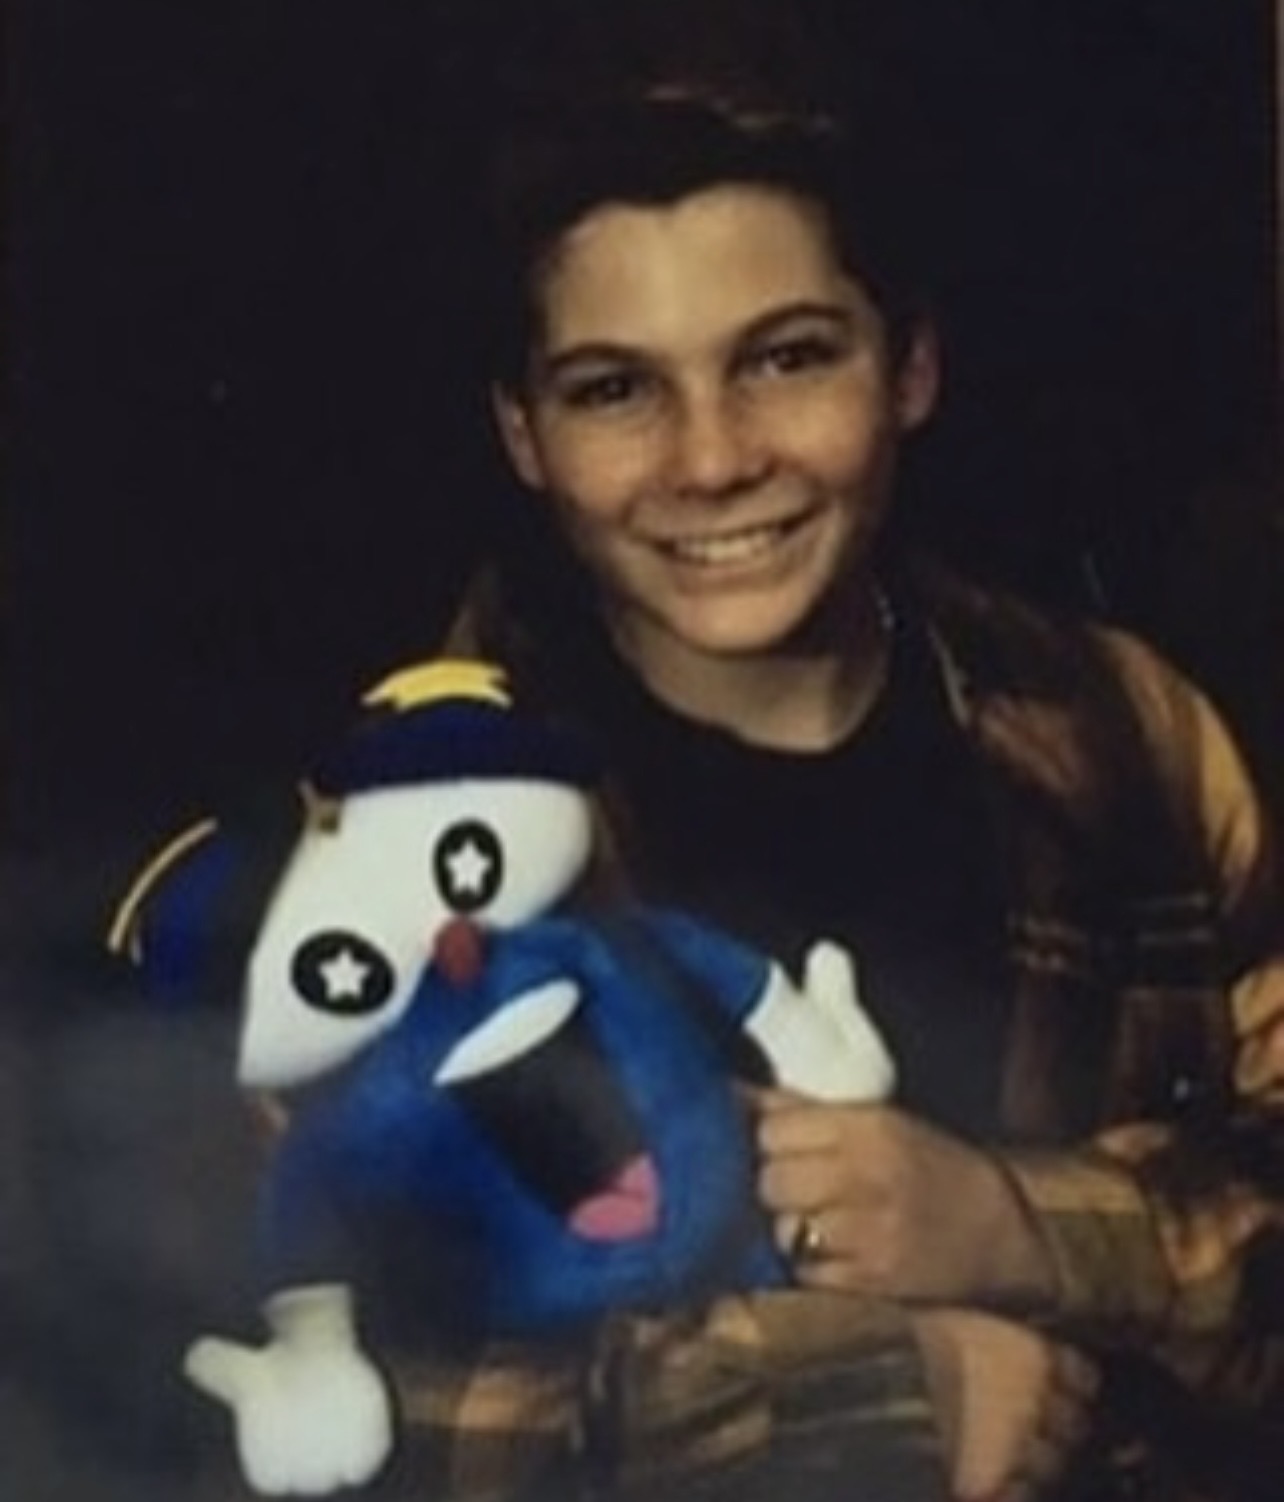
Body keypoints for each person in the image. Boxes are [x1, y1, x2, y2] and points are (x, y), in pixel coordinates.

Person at [413, 56, 1284, 1502]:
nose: (713, 460)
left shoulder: (1122, 730)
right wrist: (881, 1389)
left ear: (911, 368)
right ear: (525, 435)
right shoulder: (413, 839)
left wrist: (1018, 1226)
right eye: (616, 388)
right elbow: (369, 1379)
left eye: (788, 357)